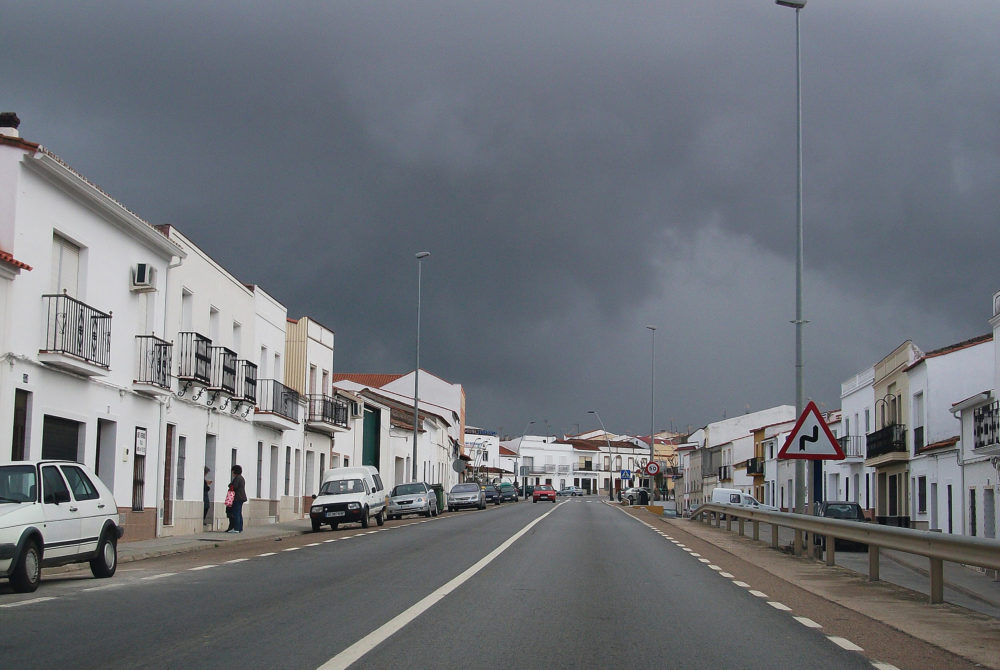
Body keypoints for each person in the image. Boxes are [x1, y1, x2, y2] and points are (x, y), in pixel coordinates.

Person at [228, 465, 247, 533]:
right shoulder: (241, 478)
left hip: (238, 497)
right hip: (241, 497)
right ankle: (239, 528)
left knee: (236, 513)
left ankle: (236, 528)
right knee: (239, 513)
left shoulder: (237, 478)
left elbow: (234, 486)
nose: (232, 473)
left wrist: (230, 485)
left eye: (232, 471)